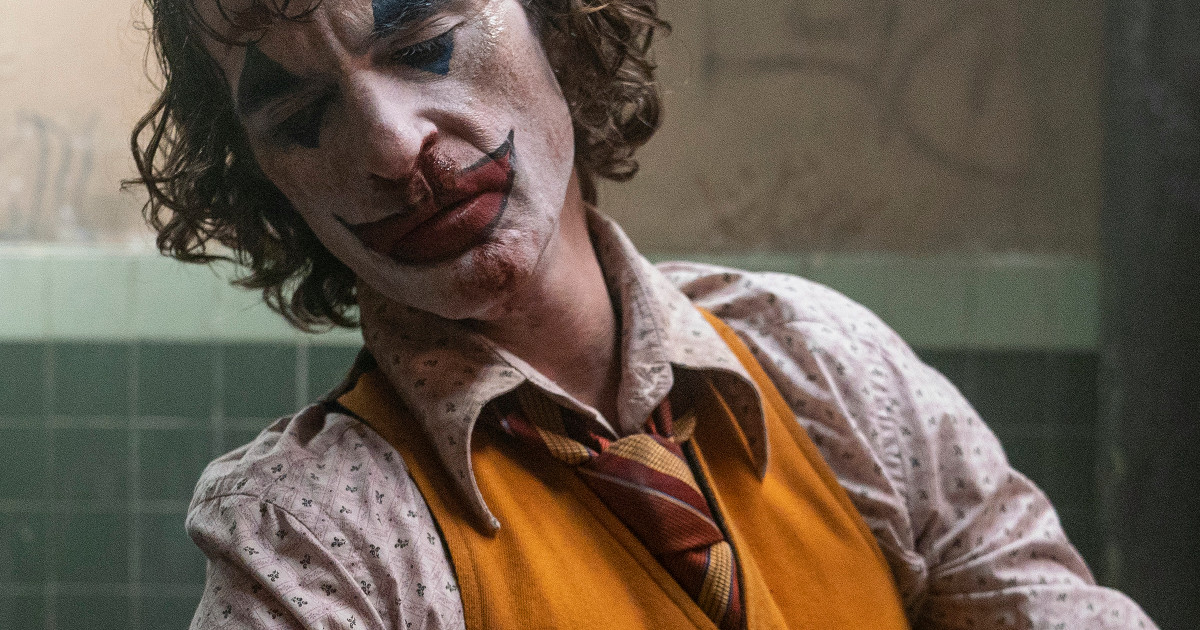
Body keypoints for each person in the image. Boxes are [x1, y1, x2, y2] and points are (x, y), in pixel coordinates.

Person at [130, 0, 1158, 627]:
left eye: (422, 41)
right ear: (267, 185)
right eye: (301, 115)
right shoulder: (313, 541)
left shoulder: (822, 364)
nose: (393, 147)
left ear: (554, 24)